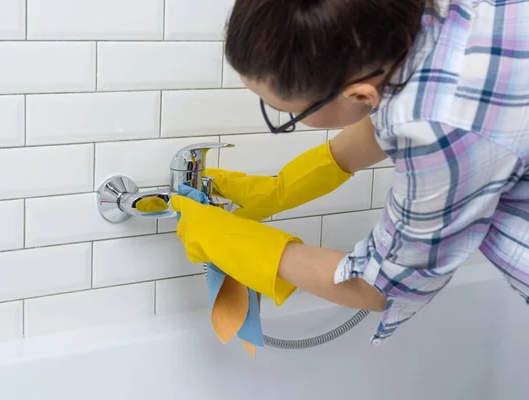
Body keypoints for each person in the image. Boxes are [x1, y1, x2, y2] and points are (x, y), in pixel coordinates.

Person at [169, 0, 529, 344]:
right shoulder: (422, 26)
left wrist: (247, 246)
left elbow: (380, 287)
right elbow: (408, 101)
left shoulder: (440, 125)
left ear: (360, 96)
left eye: (286, 114)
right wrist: (282, 188)